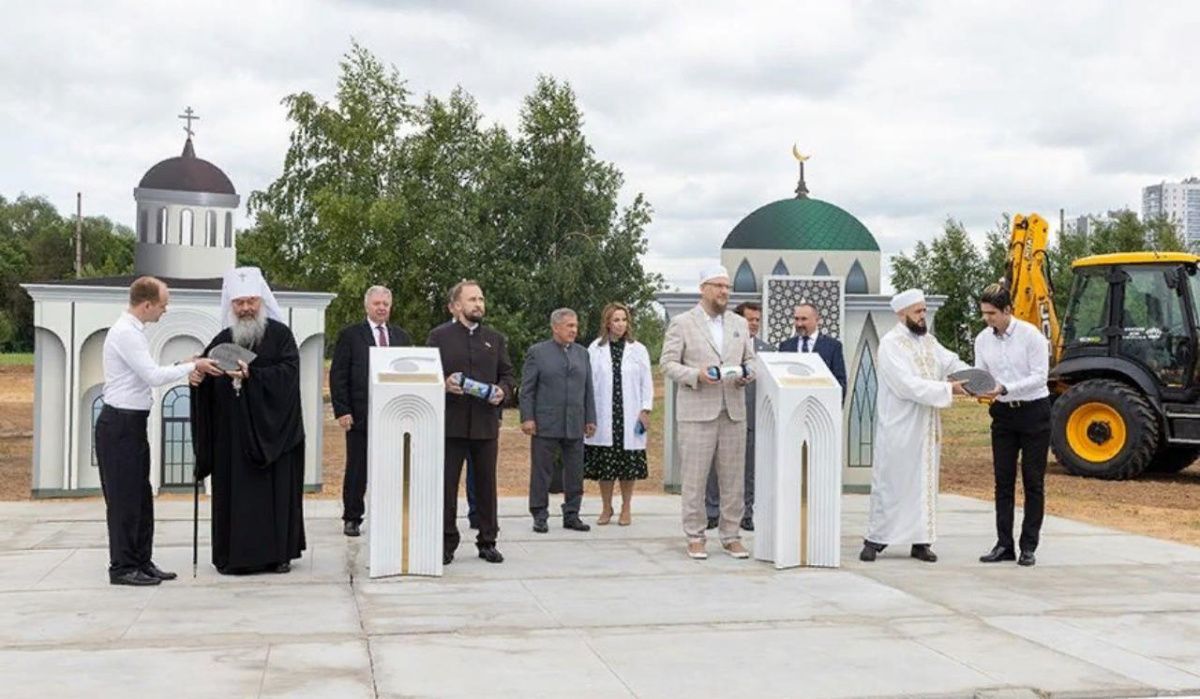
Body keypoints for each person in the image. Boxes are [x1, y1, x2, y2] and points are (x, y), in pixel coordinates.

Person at [97, 277, 222, 586]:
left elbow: (146, 371)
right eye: (163, 305)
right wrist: (194, 367)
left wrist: (185, 362)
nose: (165, 311)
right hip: (120, 425)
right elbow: (153, 376)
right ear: (147, 304)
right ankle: (123, 567)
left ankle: (141, 560)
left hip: (133, 424)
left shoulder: (135, 332)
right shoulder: (126, 333)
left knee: (140, 497)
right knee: (125, 499)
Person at [190, 267, 307, 575]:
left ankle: (279, 554)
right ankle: (234, 556)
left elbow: (289, 376)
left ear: (262, 301)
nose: (245, 309)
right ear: (230, 304)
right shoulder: (222, 340)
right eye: (239, 303)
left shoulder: (281, 336)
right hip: (234, 438)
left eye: (251, 301)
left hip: (275, 436)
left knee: (275, 497)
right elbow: (207, 381)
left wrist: (252, 375)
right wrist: (197, 375)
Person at [861, 288, 969, 564]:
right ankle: (877, 538)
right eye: (918, 311)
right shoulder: (890, 344)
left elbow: (951, 362)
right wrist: (949, 389)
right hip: (900, 426)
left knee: (924, 485)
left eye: (924, 311)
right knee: (892, 483)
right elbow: (906, 385)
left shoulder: (929, 341)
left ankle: (921, 540)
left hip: (926, 426)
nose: (923, 316)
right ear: (902, 314)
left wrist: (975, 378)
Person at [660, 265, 756, 560]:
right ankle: (695, 536)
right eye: (718, 286)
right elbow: (667, 364)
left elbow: (752, 362)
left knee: (733, 479)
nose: (724, 292)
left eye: (727, 287)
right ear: (703, 288)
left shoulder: (739, 324)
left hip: (733, 412)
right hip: (697, 412)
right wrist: (696, 375)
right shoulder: (683, 323)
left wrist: (745, 374)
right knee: (695, 479)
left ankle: (731, 535)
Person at [428, 280, 514, 565]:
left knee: (487, 486)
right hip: (450, 425)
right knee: (446, 486)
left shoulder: (495, 338)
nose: (478, 304)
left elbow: (508, 376)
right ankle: (445, 541)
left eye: (481, 299)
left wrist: (502, 391)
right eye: (472, 299)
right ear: (455, 306)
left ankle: (487, 541)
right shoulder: (438, 337)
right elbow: (427, 376)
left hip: (485, 426)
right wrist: (442, 385)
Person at [973, 283, 1050, 567]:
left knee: (1033, 481)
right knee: (1002, 481)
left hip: (1034, 412)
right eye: (984, 313)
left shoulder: (1032, 336)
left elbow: (1040, 376)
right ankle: (1003, 544)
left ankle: (1028, 546)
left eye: (992, 313)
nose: (987, 319)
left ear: (1007, 310)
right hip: (1003, 415)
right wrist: (977, 387)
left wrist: (1005, 387)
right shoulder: (982, 339)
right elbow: (982, 374)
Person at [329, 285, 411, 537]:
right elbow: (338, 375)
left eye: (386, 304)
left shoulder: (401, 337)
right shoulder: (351, 335)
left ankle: (391, 514)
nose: (382, 308)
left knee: (394, 467)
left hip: (394, 417)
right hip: (360, 416)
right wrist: (342, 410)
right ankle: (352, 517)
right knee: (357, 469)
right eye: (377, 303)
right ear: (367, 306)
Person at [521, 308, 597, 533]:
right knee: (541, 471)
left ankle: (572, 514)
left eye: (576, 326)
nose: (574, 330)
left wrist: (590, 417)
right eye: (569, 326)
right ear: (555, 327)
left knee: (574, 471)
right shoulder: (538, 352)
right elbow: (527, 389)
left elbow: (588, 388)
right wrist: (528, 417)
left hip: (575, 421)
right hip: (545, 423)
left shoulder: (582, 353)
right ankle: (539, 514)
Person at [584, 303, 654, 526]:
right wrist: (589, 415)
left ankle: (626, 507)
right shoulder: (595, 348)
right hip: (604, 414)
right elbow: (589, 384)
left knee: (627, 464)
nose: (621, 324)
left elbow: (647, 382)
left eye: (624, 319)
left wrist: (645, 409)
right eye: (616, 320)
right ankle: (606, 507)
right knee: (606, 465)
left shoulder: (638, 349)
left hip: (630, 413)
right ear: (607, 323)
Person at [704, 301, 770, 532]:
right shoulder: (724, 346)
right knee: (715, 466)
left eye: (757, 320)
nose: (754, 324)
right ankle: (712, 511)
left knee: (749, 469)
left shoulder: (768, 351)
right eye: (750, 319)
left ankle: (746, 513)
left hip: (753, 417)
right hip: (723, 413)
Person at [778, 302, 847, 394]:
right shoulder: (786, 346)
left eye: (804, 319)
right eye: (796, 319)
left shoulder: (832, 346)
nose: (799, 324)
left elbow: (840, 383)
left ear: (817, 320)